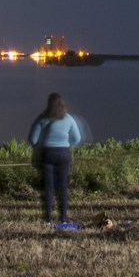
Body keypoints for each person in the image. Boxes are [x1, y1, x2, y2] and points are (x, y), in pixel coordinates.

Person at [28, 92, 82, 224]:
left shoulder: (42, 118)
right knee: (62, 187)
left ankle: (47, 218)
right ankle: (63, 217)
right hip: (64, 153)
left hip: (47, 154)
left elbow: (32, 139)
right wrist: (67, 145)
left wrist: (42, 143)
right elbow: (77, 138)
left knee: (48, 187)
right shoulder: (68, 118)